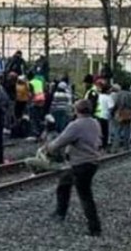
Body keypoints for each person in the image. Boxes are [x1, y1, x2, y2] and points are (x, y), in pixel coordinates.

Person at [40, 99, 103, 237]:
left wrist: (47, 148)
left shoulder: (76, 125)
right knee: (64, 183)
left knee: (85, 195)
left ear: (76, 110)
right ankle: (60, 212)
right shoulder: (95, 122)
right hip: (91, 162)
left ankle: (95, 228)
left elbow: (61, 140)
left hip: (81, 163)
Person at [113, 83, 131, 151]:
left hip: (120, 112)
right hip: (128, 113)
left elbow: (116, 103)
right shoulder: (129, 94)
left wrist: (114, 111)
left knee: (117, 130)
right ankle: (126, 146)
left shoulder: (118, 94)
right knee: (127, 130)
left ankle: (115, 147)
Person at [97, 81, 114, 150]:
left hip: (98, 115)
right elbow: (111, 107)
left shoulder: (99, 96)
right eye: (110, 90)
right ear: (107, 90)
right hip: (105, 116)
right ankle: (104, 146)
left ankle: (98, 145)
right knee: (105, 132)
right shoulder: (108, 97)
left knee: (99, 131)